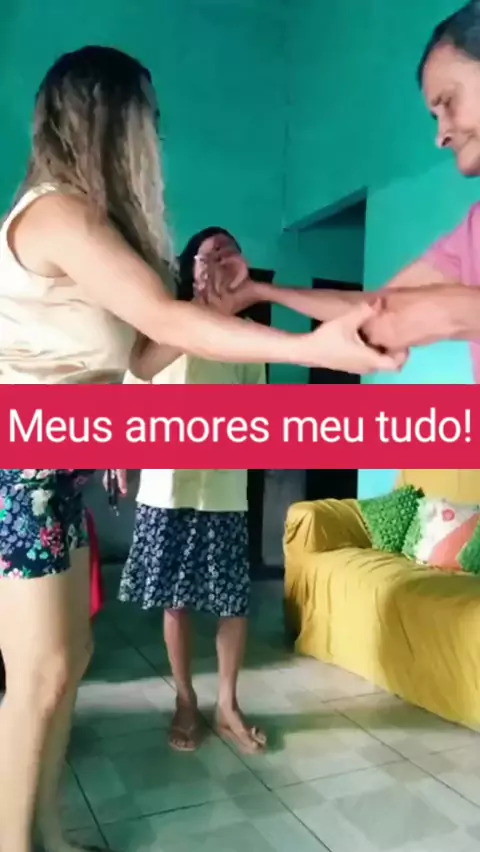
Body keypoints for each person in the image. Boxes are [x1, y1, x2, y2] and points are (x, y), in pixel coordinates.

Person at [0, 45, 407, 852]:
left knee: (68, 660)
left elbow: (142, 352)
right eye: (146, 117)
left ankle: (46, 830)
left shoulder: (93, 226)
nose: (154, 134)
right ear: (107, 116)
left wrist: (221, 308)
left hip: (56, 472)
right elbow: (164, 323)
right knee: (40, 673)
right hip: (20, 470)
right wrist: (313, 347)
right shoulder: (57, 213)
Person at [220, 0, 480, 375]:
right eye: (434, 117)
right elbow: (378, 307)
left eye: (449, 102)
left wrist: (454, 312)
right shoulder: (472, 231)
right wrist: (257, 291)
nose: (440, 136)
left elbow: (437, 312)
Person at [120, 227, 269, 755]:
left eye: (228, 253)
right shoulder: (163, 322)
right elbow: (132, 395)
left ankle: (228, 706)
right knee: (175, 602)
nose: (217, 262)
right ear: (191, 268)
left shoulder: (247, 335)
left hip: (224, 488)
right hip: (166, 486)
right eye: (207, 255)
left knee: (233, 601)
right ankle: (185, 700)